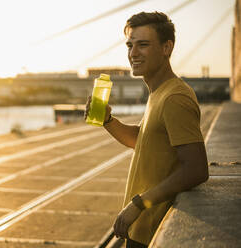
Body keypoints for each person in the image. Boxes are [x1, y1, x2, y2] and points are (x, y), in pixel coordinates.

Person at [84, 11, 209, 248]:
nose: (133, 53)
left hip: (154, 229)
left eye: (143, 45)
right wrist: (108, 120)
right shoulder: (159, 93)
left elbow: (196, 169)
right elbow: (142, 140)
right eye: (130, 45)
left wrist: (139, 203)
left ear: (166, 47)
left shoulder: (175, 97)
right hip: (142, 228)